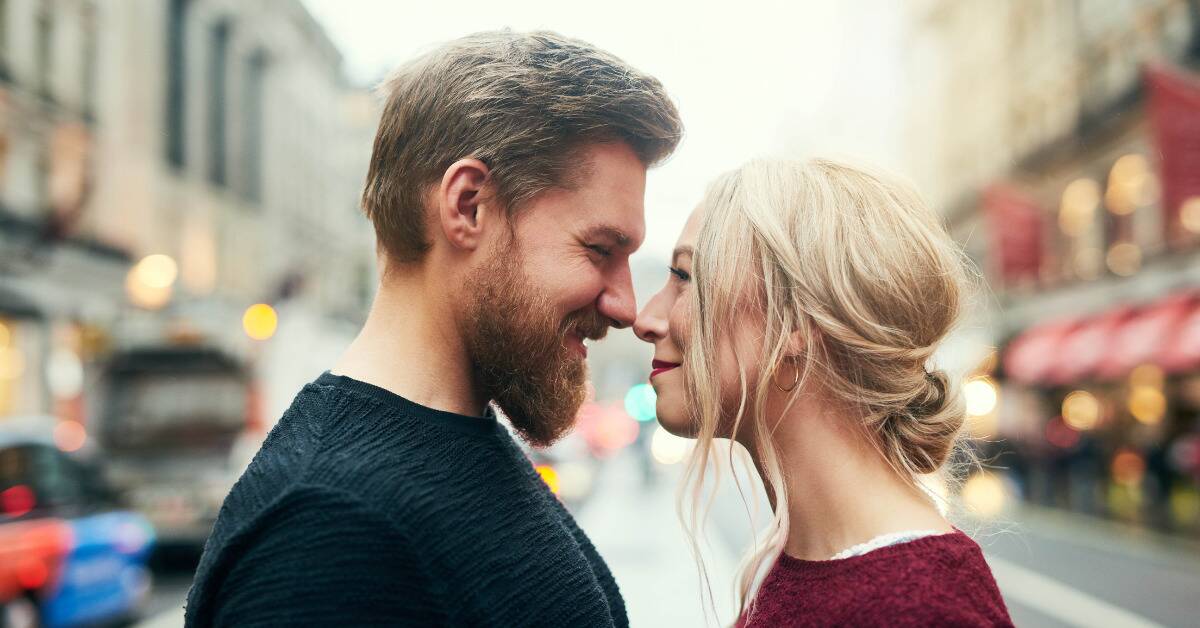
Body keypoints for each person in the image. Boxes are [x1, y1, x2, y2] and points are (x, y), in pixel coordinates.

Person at [184, 30, 681, 627]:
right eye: (599, 248)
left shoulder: (459, 443)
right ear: (468, 206)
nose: (626, 305)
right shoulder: (329, 531)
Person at [634, 159, 1013, 627]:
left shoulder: (920, 608)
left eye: (686, 278)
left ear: (796, 321)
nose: (645, 318)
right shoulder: (800, 562)